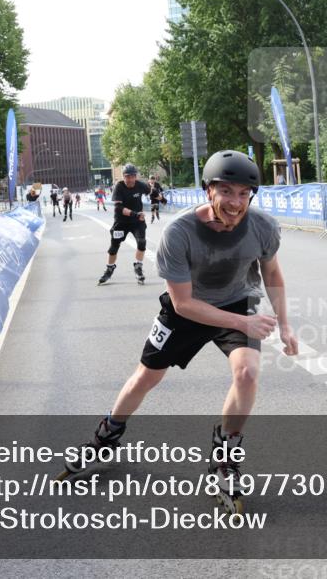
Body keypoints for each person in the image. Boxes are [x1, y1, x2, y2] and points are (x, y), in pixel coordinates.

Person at [65, 150, 298, 513]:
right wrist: (244, 323)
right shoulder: (180, 232)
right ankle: (106, 435)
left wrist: (285, 325)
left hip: (239, 301)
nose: (235, 202)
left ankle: (224, 457)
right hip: (189, 309)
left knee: (248, 372)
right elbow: (183, 304)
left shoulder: (264, 227)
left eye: (243, 193)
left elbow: (271, 274)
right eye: (226, 192)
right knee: (145, 378)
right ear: (208, 191)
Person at [98, 164, 151, 284]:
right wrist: (135, 214)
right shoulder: (119, 186)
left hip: (137, 222)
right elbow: (118, 208)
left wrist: (160, 197)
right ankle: (110, 268)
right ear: (123, 177)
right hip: (121, 222)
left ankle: (138, 267)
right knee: (113, 248)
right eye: (127, 177)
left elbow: (150, 191)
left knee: (142, 242)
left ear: (136, 176)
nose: (130, 179)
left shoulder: (140, 185)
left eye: (133, 176)